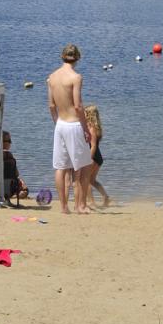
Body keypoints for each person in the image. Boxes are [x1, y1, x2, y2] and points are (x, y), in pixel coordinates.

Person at [47, 44, 93, 215]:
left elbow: (51, 105)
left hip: (60, 124)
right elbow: (78, 106)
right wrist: (86, 128)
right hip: (73, 124)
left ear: (62, 57)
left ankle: (64, 207)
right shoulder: (76, 77)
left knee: (61, 167)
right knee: (84, 167)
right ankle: (80, 205)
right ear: (78, 58)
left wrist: (56, 122)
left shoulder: (52, 77)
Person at [84, 105, 111, 208]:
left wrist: (89, 159)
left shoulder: (91, 127)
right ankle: (106, 197)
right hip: (97, 156)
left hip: (94, 156)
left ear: (90, 115)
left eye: (86, 113)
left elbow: (93, 145)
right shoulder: (95, 126)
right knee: (92, 180)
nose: (84, 114)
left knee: (86, 179)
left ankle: (91, 202)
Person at [0, 130, 28, 202]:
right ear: (2, 142)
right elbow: (16, 174)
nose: (11, 143)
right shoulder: (8, 155)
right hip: (7, 190)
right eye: (9, 140)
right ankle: (15, 195)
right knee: (24, 188)